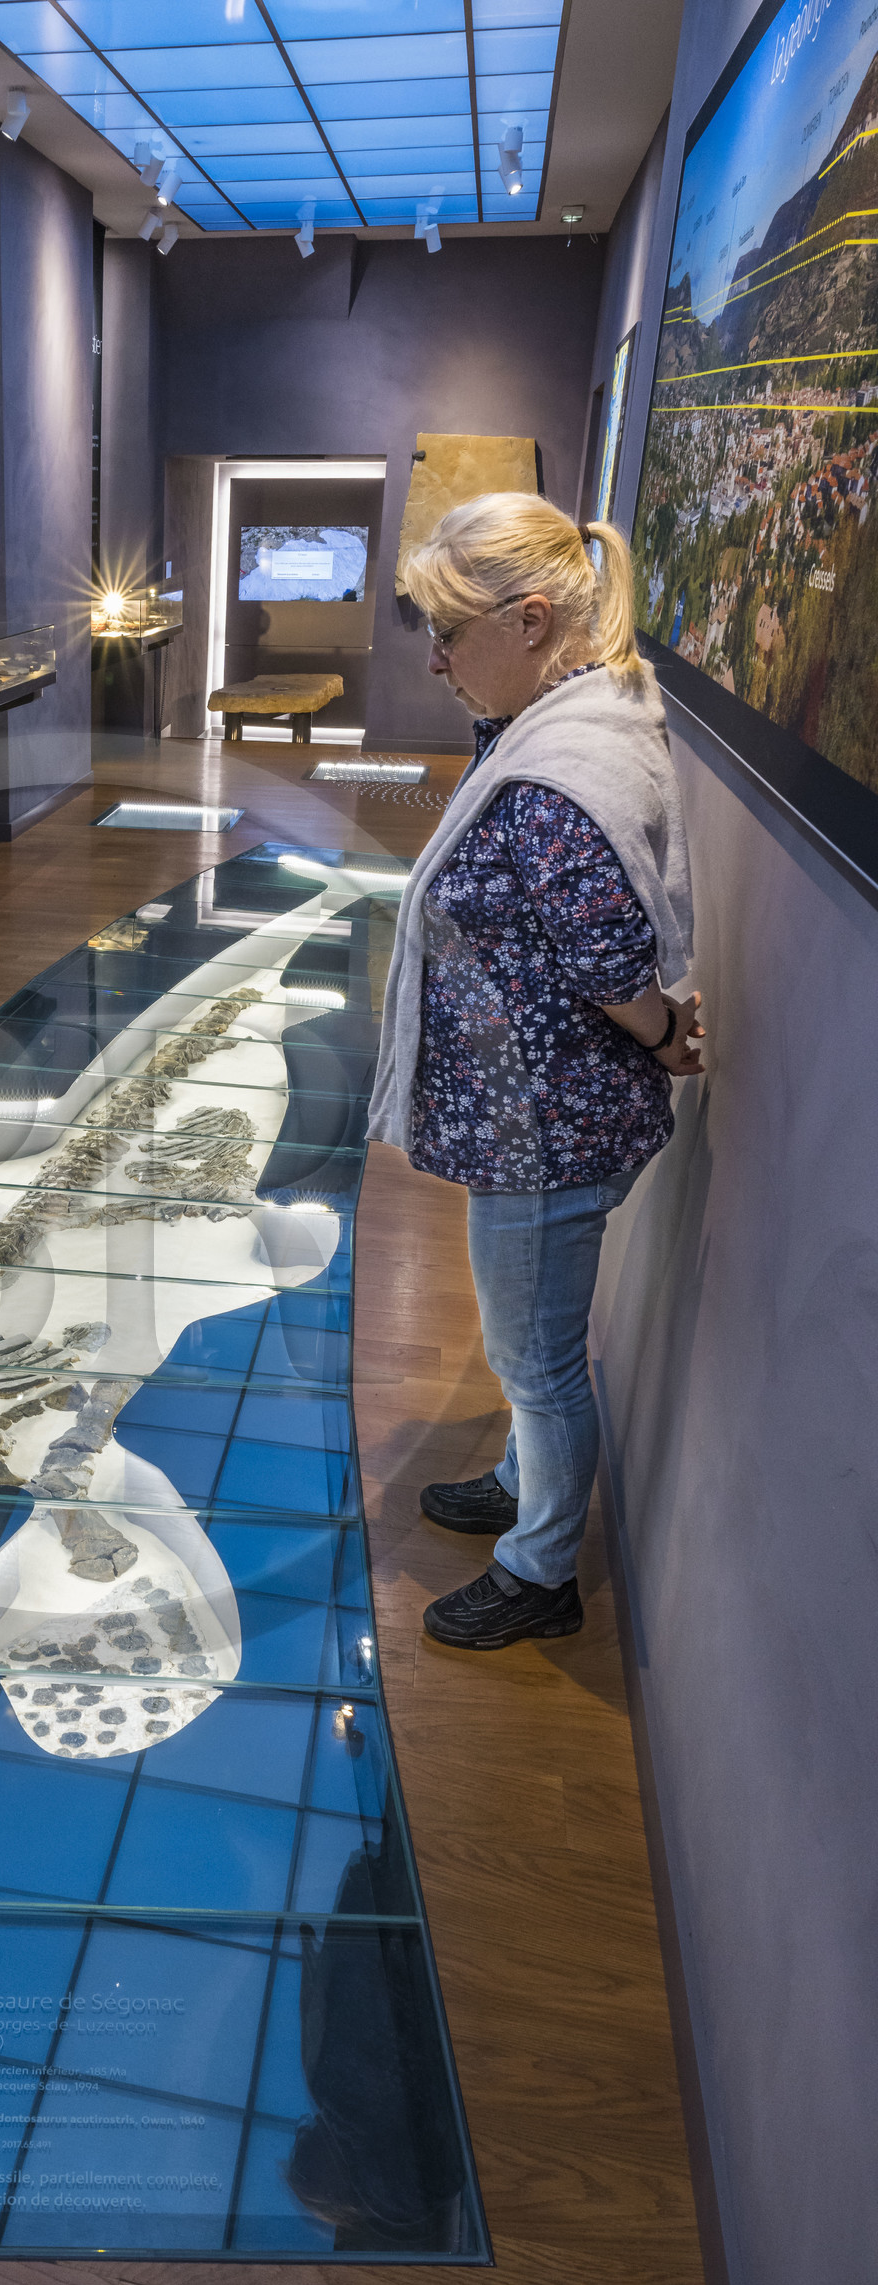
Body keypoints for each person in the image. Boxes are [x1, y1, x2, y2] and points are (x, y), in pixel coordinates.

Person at [369, 493, 704, 1651]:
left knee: (536, 1357)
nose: (434, 657)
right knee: (534, 1343)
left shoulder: (554, 778)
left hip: (544, 1131)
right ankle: (521, 1484)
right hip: (541, 1115)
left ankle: (540, 1569)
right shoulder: (565, 726)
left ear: (530, 619)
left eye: (449, 631)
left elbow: (609, 956)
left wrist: (663, 1034)